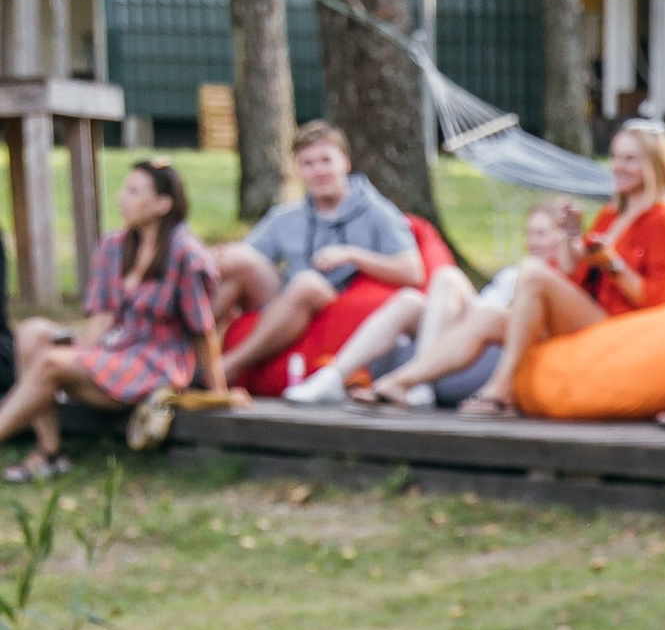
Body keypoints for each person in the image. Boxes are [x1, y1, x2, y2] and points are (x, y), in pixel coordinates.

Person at [0, 157, 224, 479]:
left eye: (134, 192)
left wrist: (218, 391)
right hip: (114, 350)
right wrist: (82, 358)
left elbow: (203, 329)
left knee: (50, 362)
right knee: (32, 332)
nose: (122, 198)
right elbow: (101, 316)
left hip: (155, 362)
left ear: (163, 204)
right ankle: (51, 452)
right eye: (124, 190)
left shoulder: (186, 255)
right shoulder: (113, 245)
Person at [461, 122, 665, 417]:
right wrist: (571, 238)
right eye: (615, 157)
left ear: (654, 164)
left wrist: (612, 264)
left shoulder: (663, 221)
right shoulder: (612, 214)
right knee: (490, 316)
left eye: (630, 159)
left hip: (619, 327)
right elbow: (575, 276)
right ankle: (406, 382)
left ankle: (501, 387)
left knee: (532, 272)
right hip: (590, 311)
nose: (618, 167)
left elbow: (658, 297)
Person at [311, 199, 588, 410]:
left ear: (562, 235)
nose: (532, 242)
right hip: (463, 334)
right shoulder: (511, 274)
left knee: (447, 277)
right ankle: (332, 377)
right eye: (529, 234)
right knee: (409, 300)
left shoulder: (559, 281)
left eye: (541, 234)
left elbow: (501, 318)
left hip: (490, 348)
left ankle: (417, 380)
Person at [210, 119, 424, 384]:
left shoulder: (377, 211)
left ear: (345, 162)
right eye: (308, 164)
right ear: (298, 170)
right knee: (234, 258)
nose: (318, 171)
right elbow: (243, 259)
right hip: (283, 299)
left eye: (326, 160)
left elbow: (413, 271)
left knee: (307, 283)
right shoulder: (287, 216)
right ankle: (183, 351)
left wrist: (352, 255)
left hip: (335, 304)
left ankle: (226, 368)